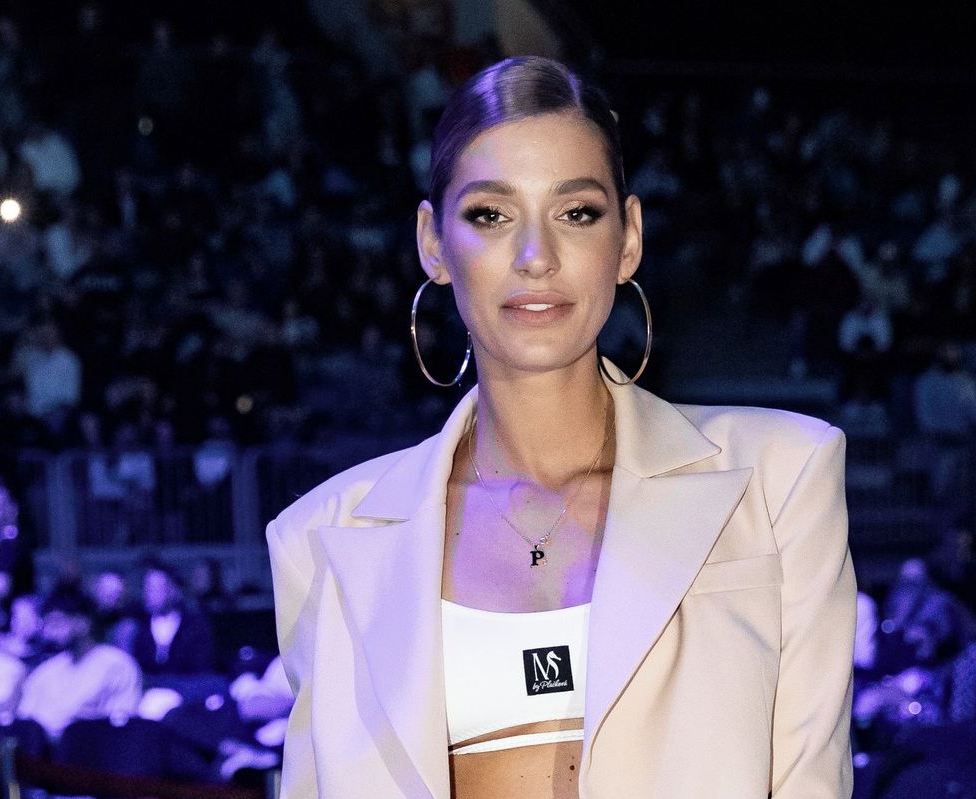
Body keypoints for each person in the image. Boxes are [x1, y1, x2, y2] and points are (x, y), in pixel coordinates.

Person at [267, 56, 856, 798]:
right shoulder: (323, 539)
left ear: (628, 237)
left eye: (576, 213)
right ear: (432, 243)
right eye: (490, 214)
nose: (536, 257)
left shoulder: (780, 478)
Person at [17, 588, 142, 739]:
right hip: (40, 748)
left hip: (88, 748)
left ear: (83, 623)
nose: (49, 633)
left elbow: (120, 727)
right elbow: (25, 720)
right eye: (47, 624)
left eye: (56, 623)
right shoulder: (46, 670)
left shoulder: (118, 666)